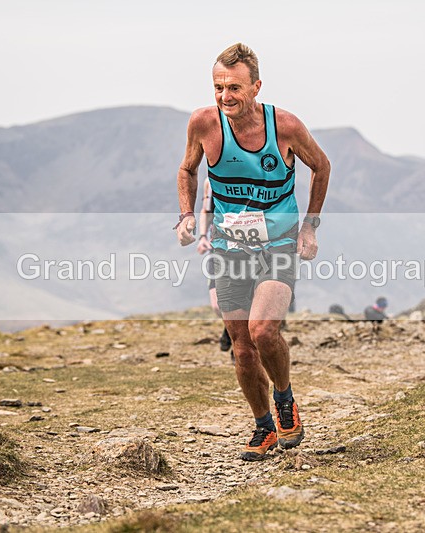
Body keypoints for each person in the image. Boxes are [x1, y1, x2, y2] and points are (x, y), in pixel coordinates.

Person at [175, 43, 330, 460]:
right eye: (218, 87)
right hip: (229, 247)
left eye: (234, 87)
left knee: (263, 330)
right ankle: (263, 426)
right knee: (241, 344)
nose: (225, 96)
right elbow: (188, 169)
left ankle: (284, 398)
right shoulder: (204, 124)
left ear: (256, 86)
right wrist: (186, 215)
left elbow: (322, 166)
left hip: (278, 242)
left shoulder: (286, 127)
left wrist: (310, 227)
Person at [196, 179, 233, 356]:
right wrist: (203, 236)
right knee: (218, 306)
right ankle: (230, 328)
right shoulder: (209, 182)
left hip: (247, 247)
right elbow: (206, 210)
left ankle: (241, 346)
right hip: (218, 246)